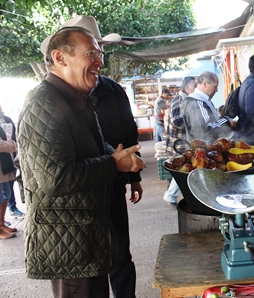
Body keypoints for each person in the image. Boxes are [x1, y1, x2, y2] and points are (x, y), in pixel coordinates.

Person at [18, 26, 145, 297]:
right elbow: (55, 178)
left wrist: (119, 157)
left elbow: (98, 146)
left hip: (86, 234)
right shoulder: (44, 104)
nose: (100, 62)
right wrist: (114, 165)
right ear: (60, 58)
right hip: (69, 241)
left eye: (100, 53)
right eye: (91, 53)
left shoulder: (76, 98)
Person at [163, 76, 196, 209]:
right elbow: (177, 121)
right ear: (187, 88)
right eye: (195, 86)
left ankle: (175, 196)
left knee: (185, 170)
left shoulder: (187, 100)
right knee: (184, 170)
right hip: (178, 144)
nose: (196, 88)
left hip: (182, 143)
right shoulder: (180, 99)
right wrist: (193, 125)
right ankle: (170, 196)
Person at [181, 71, 236, 143]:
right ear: (205, 84)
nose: (216, 90)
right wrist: (227, 121)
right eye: (215, 86)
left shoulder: (201, 101)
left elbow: (211, 122)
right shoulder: (197, 102)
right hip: (204, 151)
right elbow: (205, 133)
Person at [0, 125, 17, 239]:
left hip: (3, 167)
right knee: (1, 197)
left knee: (7, 193)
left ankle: (2, 223)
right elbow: (3, 145)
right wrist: (11, 144)